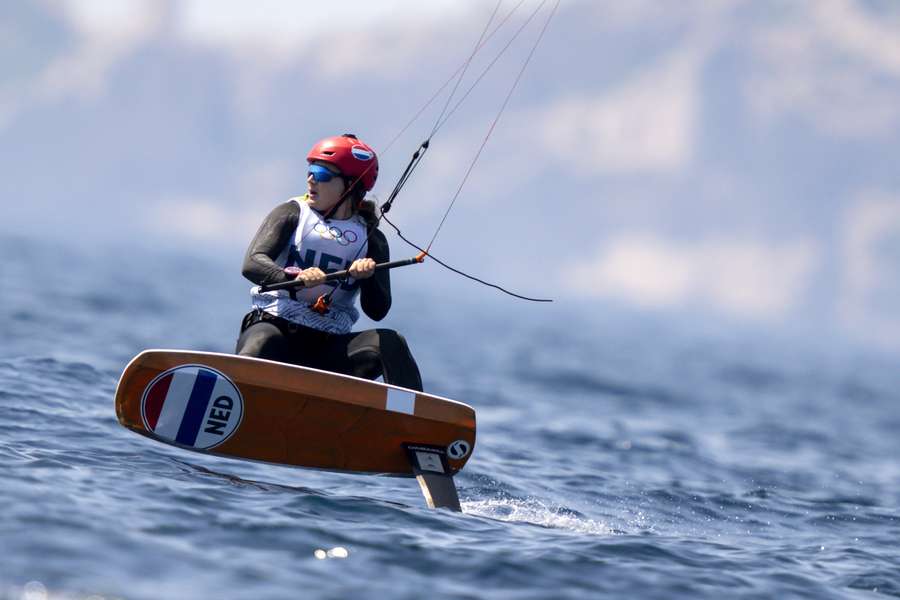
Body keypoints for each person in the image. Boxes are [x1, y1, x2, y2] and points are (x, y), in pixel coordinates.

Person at [235, 133, 423, 391]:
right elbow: (252, 263)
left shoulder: (372, 239)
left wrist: (366, 279)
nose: (311, 179)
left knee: (390, 343)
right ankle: (232, 397)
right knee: (263, 342)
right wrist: (294, 279)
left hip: (330, 350)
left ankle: (412, 419)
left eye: (322, 174)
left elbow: (378, 310)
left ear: (350, 185)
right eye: (310, 171)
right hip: (276, 330)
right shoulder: (291, 213)